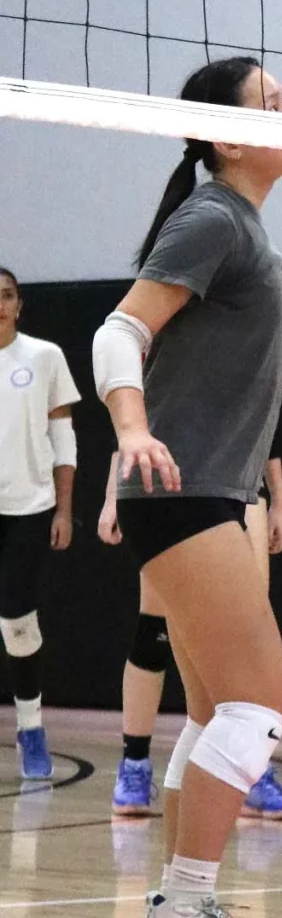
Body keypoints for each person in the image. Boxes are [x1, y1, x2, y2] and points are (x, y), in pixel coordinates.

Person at [91, 55, 282, 918]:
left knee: (207, 713)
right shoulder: (211, 217)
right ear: (230, 137)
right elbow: (120, 329)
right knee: (259, 699)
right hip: (181, 487)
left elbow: (256, 363)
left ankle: (180, 910)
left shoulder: (243, 233)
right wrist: (130, 429)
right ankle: (182, 914)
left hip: (203, 489)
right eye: (272, 104)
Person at [100, 447, 282, 820]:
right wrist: (114, 494)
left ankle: (252, 772)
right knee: (154, 628)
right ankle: (134, 765)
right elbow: (135, 406)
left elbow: (269, 426)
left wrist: (279, 503)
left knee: (247, 627)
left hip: (241, 488)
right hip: (173, 483)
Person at [0, 268, 78, 782]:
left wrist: (65, 508)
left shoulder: (44, 356)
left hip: (28, 508)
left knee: (16, 623)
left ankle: (31, 730)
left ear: (20, 303)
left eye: (6, 295)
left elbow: (64, 439)